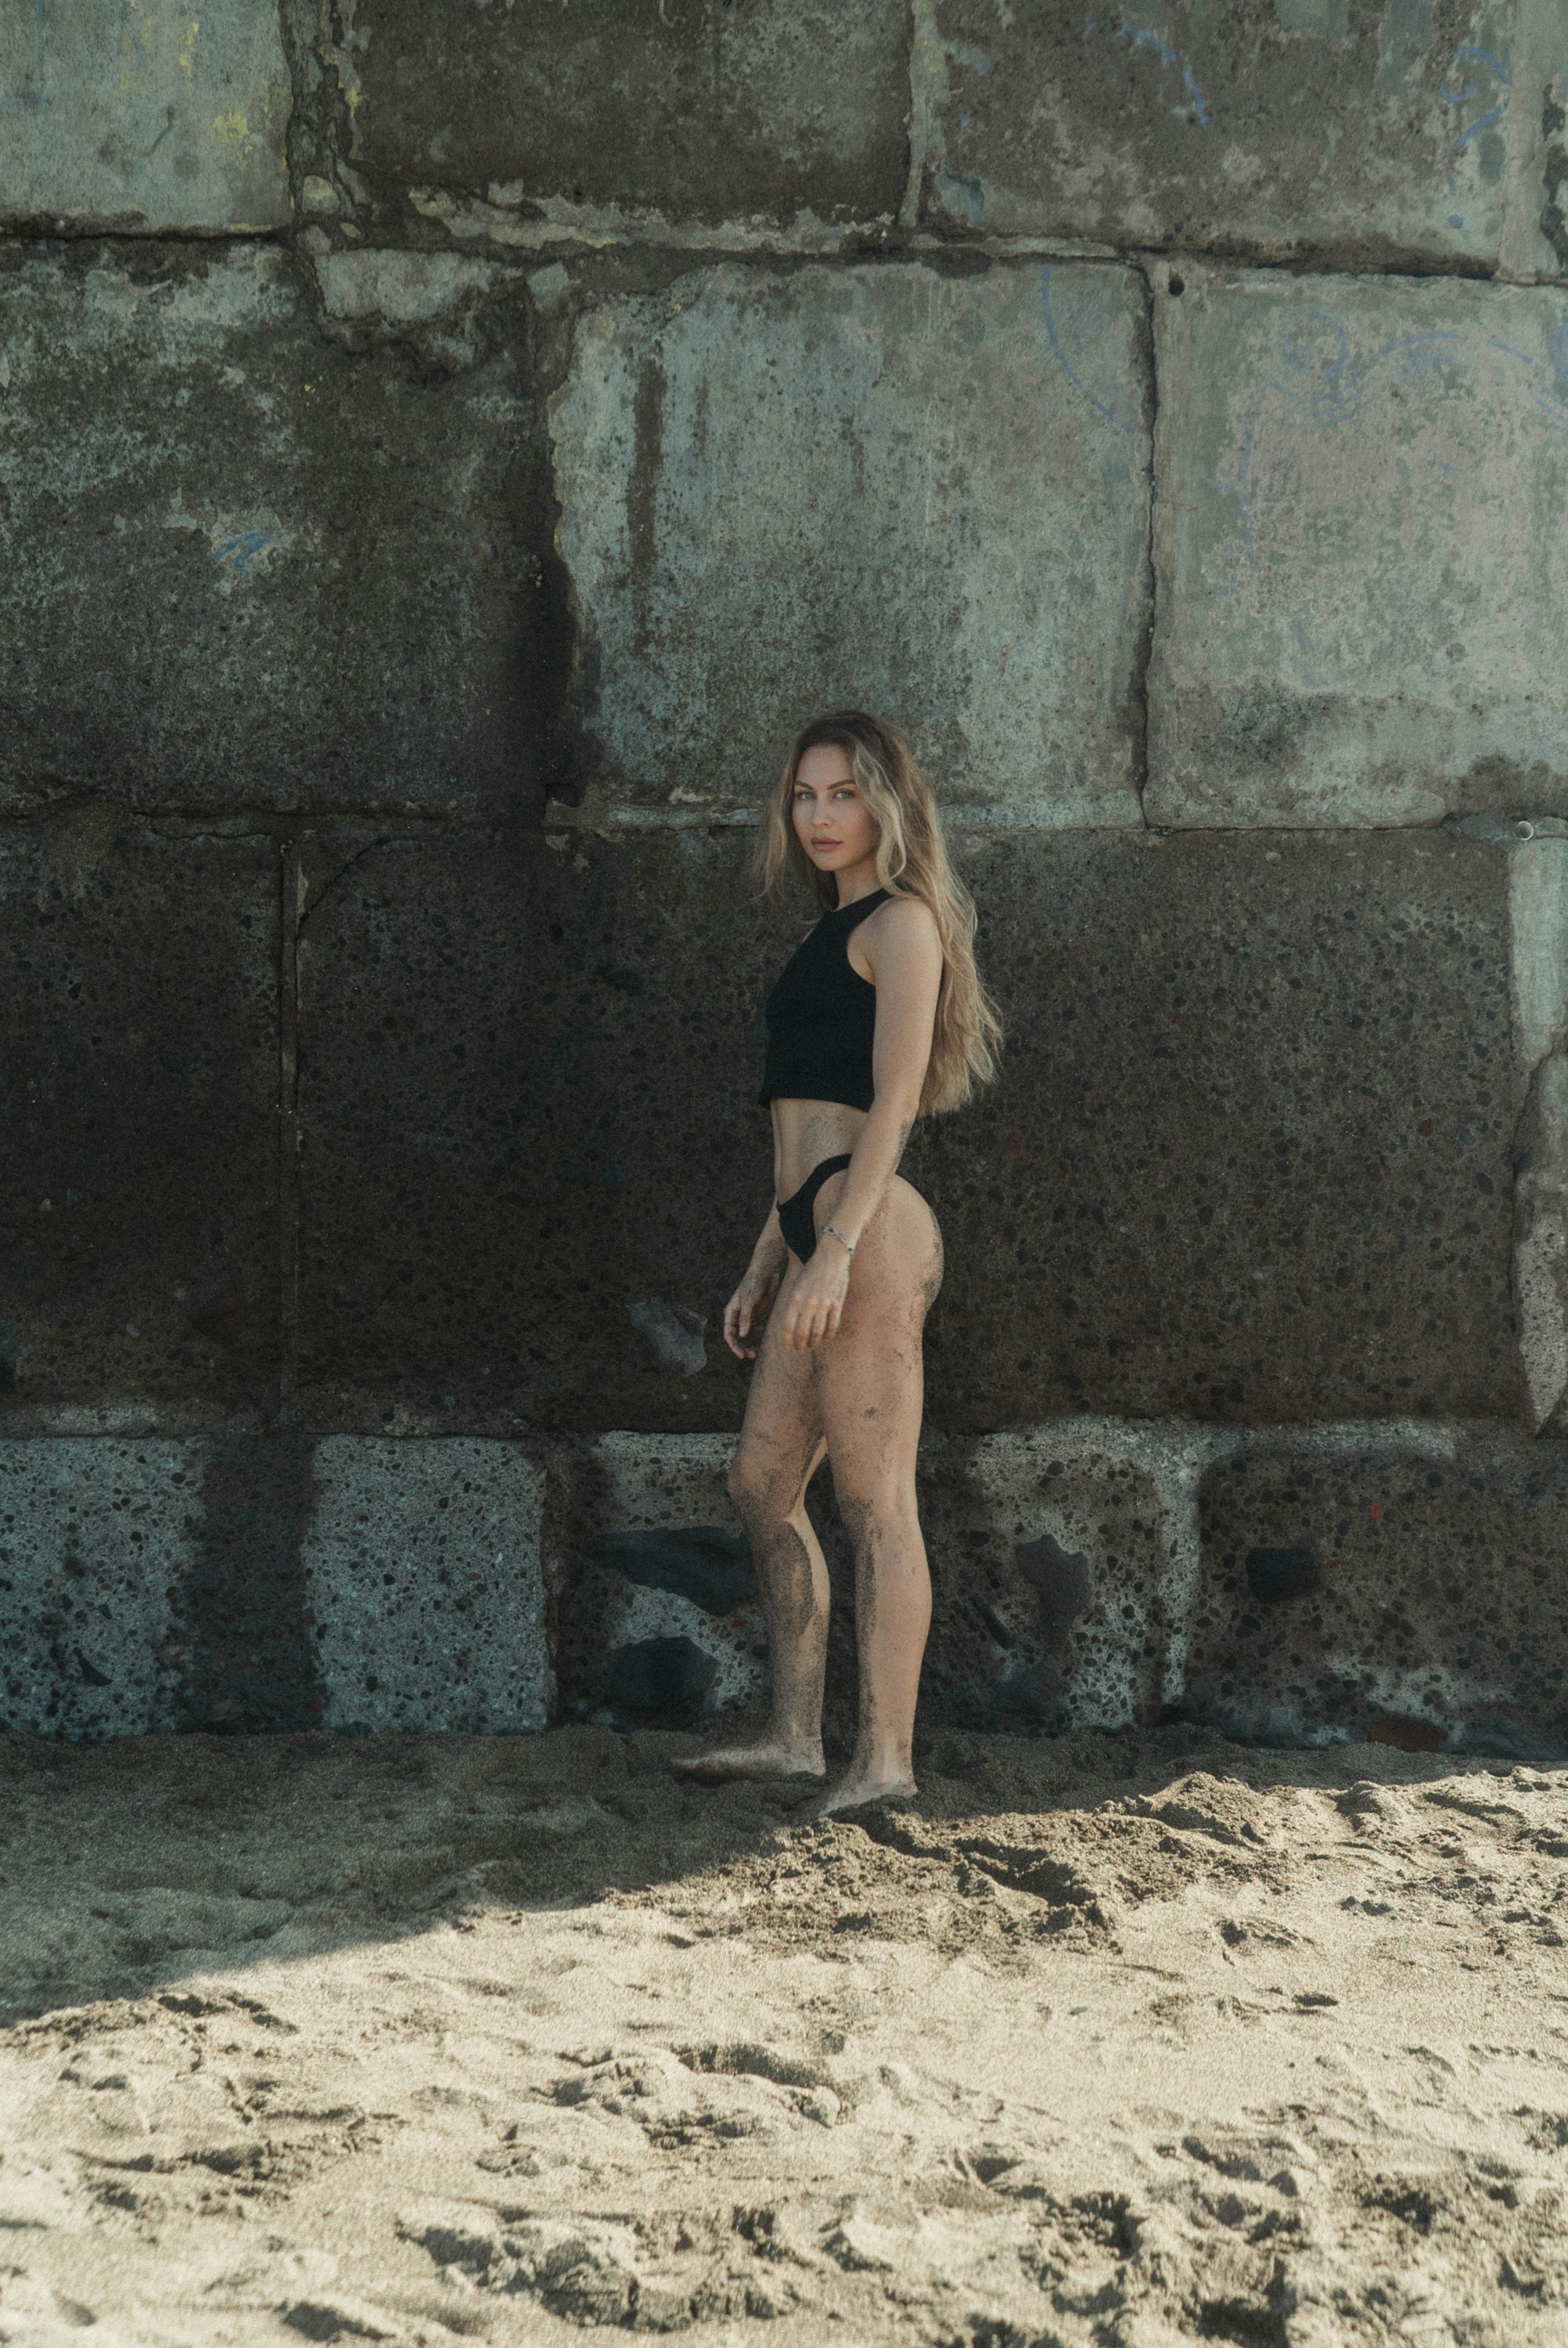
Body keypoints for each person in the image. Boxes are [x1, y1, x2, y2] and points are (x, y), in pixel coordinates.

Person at [671, 711, 1002, 1813]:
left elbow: (893, 1101)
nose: (819, 815)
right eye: (805, 795)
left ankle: (886, 1763)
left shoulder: (902, 923)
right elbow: (806, 1118)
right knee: (763, 1484)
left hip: (869, 1231)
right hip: (812, 1228)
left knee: (874, 1502)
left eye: (842, 794)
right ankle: (797, 1740)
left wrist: (837, 1250)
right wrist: (772, 1255)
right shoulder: (834, 928)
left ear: (886, 804)